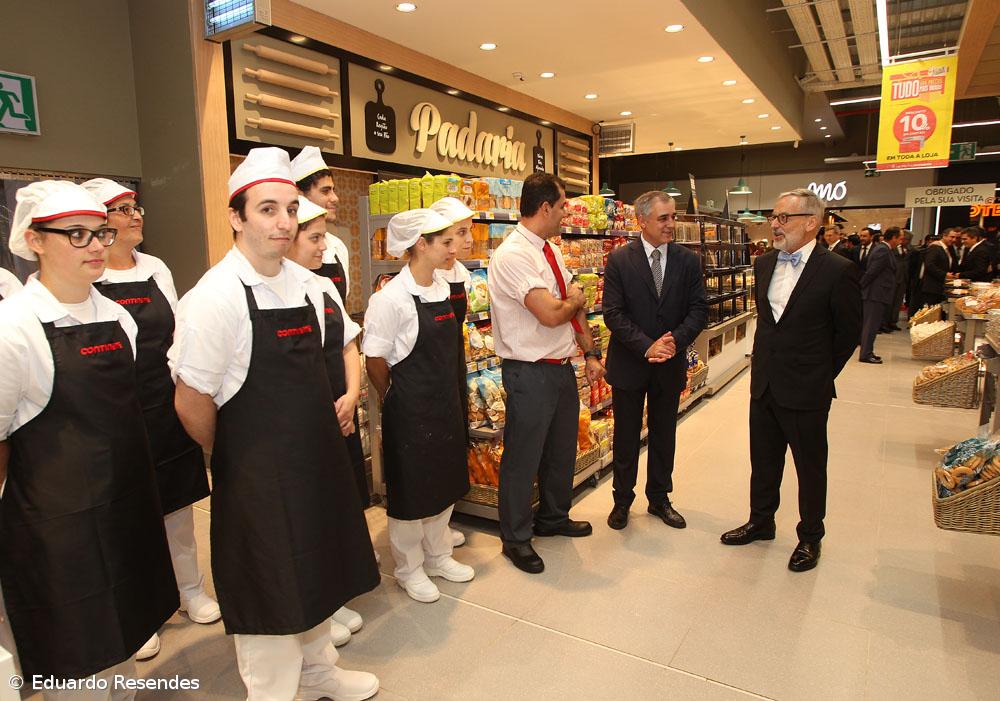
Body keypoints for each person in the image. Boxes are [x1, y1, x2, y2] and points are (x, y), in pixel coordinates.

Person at [170, 148, 380, 701]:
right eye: (267, 209)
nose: (284, 222)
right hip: (257, 477)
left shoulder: (311, 287)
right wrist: (241, 453)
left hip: (314, 462)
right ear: (237, 217)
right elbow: (191, 402)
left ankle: (319, 672)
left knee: (316, 573)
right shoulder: (214, 299)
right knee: (269, 591)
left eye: (290, 208)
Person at [0, 181, 178, 699]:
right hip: (57, 523)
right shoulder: (16, 328)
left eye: (99, 232)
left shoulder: (117, 317)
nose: (97, 245)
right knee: (75, 654)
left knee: (120, 630)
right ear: (35, 240)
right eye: (76, 235)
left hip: (121, 501)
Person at [82, 178, 218, 663]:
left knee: (178, 508)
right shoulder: (90, 276)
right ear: (98, 224)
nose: (135, 215)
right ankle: (139, 610)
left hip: (163, 402)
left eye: (134, 206)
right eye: (121, 209)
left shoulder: (155, 268)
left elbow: (178, 333)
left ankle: (191, 589)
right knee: (130, 514)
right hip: (117, 409)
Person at [721, 188, 861, 573]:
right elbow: (769, 323)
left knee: (810, 466)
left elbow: (848, 334)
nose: (775, 224)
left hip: (807, 387)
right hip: (765, 381)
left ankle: (810, 536)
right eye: (774, 216)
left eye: (785, 218)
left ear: (812, 223)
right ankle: (761, 520)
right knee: (763, 460)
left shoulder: (837, 270)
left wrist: (818, 372)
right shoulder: (764, 264)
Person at [487, 173, 605, 574]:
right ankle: (516, 539)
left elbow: (576, 305)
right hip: (529, 371)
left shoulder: (549, 250)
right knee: (523, 457)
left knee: (559, 451)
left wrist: (591, 353)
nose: (565, 213)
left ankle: (553, 517)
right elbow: (552, 313)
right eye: (562, 206)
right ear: (543, 208)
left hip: (560, 367)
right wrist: (571, 300)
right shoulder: (514, 254)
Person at [362, 208, 475, 603]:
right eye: (445, 242)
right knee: (412, 492)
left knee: (444, 482)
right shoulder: (390, 299)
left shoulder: (443, 287)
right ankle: (409, 568)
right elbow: (374, 359)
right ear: (420, 245)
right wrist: (395, 397)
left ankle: (438, 554)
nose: (453, 249)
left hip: (445, 401)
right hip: (410, 409)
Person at [284, 195, 370, 647]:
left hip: (339, 414)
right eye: (315, 239)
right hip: (303, 427)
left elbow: (348, 346)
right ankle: (318, 603)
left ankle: (334, 594)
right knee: (310, 513)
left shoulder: (322, 287)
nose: (324, 248)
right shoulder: (274, 291)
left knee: (339, 503)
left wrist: (352, 394)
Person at [603, 191, 707, 530]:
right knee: (626, 435)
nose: (671, 224)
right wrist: (647, 346)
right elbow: (613, 314)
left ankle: (659, 499)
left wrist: (674, 341)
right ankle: (622, 501)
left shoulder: (688, 261)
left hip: (671, 361)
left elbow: (698, 310)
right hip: (631, 362)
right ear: (642, 221)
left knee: (665, 433)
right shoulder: (620, 259)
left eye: (672, 217)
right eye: (663, 218)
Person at [431, 195, 480, 549]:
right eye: (460, 233)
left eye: (468, 231)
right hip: (430, 368)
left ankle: (442, 520)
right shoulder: (424, 275)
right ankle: (428, 527)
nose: (468, 240)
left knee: (454, 443)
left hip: (454, 362)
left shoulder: (459, 273)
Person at [291, 146, 351, 301]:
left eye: (333, 190)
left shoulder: (338, 247)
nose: (335, 198)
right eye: (325, 191)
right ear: (299, 194)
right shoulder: (287, 247)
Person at [858, 227, 898, 363]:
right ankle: (865, 354)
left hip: (877, 293)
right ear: (893, 238)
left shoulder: (883, 249)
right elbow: (872, 272)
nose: (900, 241)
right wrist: (860, 288)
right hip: (875, 294)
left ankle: (868, 351)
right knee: (870, 325)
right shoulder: (883, 250)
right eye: (899, 238)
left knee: (872, 325)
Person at [921, 230, 956, 306]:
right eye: (952, 237)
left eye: (955, 238)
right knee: (931, 313)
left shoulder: (948, 248)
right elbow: (929, 265)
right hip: (932, 287)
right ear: (944, 236)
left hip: (940, 287)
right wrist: (944, 274)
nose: (954, 240)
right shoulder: (935, 247)